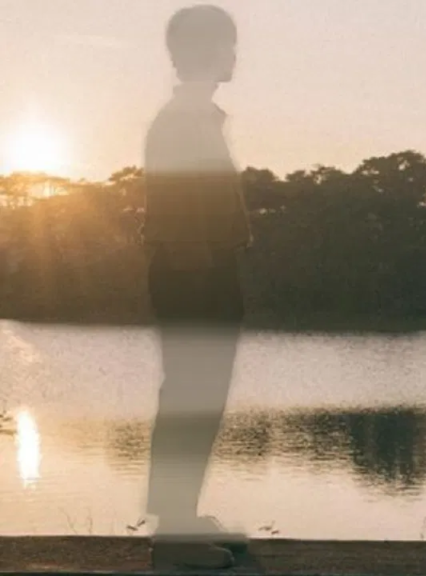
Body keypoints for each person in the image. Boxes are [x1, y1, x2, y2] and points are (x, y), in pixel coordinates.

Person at [142, 4, 252, 570]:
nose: (234, 55)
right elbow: (176, 213)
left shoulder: (199, 117)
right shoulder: (181, 120)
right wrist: (203, 272)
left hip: (206, 269)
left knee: (198, 396)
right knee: (190, 396)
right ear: (204, 51)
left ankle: (181, 518)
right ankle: (174, 534)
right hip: (194, 271)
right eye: (227, 45)